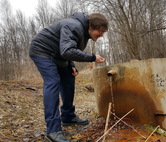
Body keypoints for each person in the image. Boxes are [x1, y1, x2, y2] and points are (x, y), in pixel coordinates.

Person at [29, 12, 108, 142]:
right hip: (42, 51)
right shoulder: (74, 26)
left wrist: (70, 64)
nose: (101, 35)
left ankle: (68, 116)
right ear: (91, 27)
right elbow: (66, 51)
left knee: (69, 77)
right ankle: (53, 130)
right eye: (100, 32)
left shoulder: (83, 32)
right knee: (53, 81)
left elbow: (69, 48)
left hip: (57, 55)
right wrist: (92, 57)